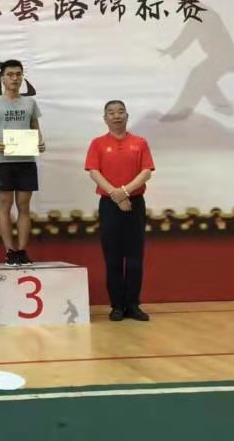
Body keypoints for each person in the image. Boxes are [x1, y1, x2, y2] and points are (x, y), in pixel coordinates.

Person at [84, 100, 154, 322]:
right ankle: (117, 306)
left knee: (134, 258)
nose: (116, 116)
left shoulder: (140, 142)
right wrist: (115, 195)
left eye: (120, 112)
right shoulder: (98, 143)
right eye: (111, 113)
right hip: (109, 205)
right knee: (113, 258)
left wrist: (124, 192)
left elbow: (146, 172)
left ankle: (133, 304)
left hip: (135, 203)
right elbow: (93, 171)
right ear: (105, 119)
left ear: (127, 116)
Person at [0, 59, 45, 266]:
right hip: (3, 162)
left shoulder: (30, 102)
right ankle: (9, 251)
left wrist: (40, 142)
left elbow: (35, 128)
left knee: (24, 206)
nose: (15, 78)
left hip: (26, 160)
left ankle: (22, 251)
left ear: (22, 77)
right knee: (5, 205)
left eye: (18, 74)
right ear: (2, 78)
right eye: (10, 74)